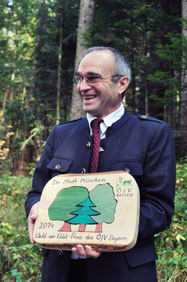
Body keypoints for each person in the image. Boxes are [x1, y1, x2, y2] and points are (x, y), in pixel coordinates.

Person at [25, 46, 176, 282]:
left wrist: (102, 234)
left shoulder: (152, 133)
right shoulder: (61, 134)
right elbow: (37, 192)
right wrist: (35, 208)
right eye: (79, 78)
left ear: (122, 83)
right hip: (61, 271)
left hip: (123, 272)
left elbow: (159, 208)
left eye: (93, 78)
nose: (82, 87)